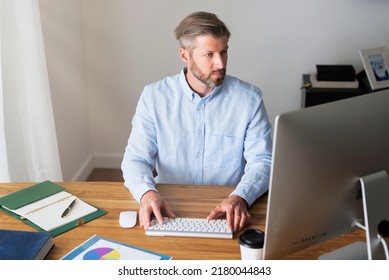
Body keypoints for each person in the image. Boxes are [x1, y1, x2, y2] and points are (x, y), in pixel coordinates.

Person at [121, 11, 272, 233]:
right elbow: (135, 159)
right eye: (209, 54)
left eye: (223, 52)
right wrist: (147, 193)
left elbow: (263, 161)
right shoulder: (154, 97)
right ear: (185, 55)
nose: (220, 63)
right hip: (169, 208)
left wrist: (241, 196)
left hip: (229, 207)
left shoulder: (249, 99)